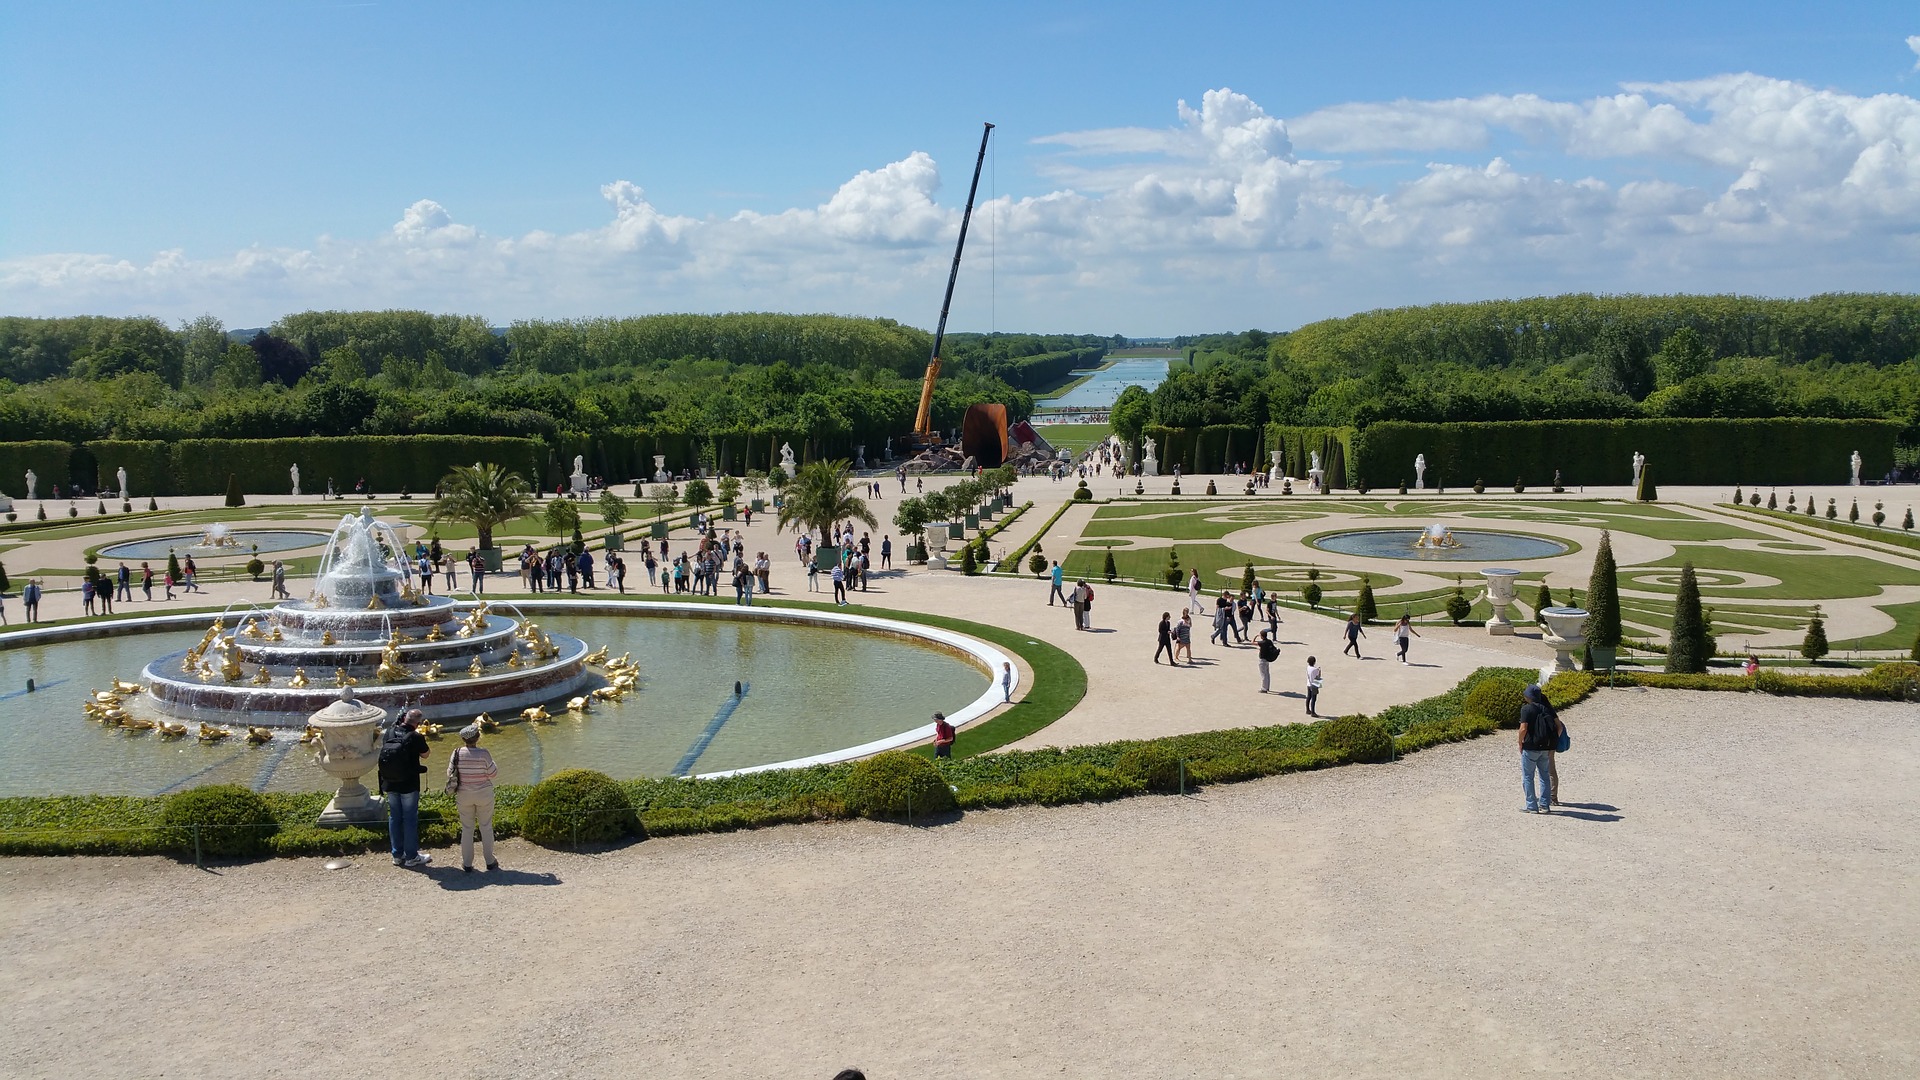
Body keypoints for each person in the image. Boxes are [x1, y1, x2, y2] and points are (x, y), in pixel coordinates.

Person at [379, 710, 432, 867]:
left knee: (394, 818)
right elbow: (426, 754)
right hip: (408, 784)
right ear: (417, 723)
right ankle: (411, 857)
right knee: (409, 819)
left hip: (389, 782)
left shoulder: (389, 732)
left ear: (403, 719)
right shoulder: (415, 736)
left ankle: (397, 855)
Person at [448, 723, 500, 872]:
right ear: (477, 737)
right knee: (486, 827)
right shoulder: (484, 753)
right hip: (484, 794)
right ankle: (489, 861)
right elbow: (493, 774)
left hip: (464, 794)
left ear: (463, 739)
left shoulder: (456, 752)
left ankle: (467, 863)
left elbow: (449, 773)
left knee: (467, 828)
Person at [1518, 684, 1563, 813]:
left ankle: (1531, 805)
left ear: (1528, 697)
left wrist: (1520, 743)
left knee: (1528, 776)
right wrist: (1553, 742)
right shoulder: (1548, 709)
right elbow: (1559, 727)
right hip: (1546, 748)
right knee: (1544, 776)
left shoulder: (1526, 709)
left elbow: (1523, 729)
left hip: (1531, 747)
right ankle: (1545, 805)